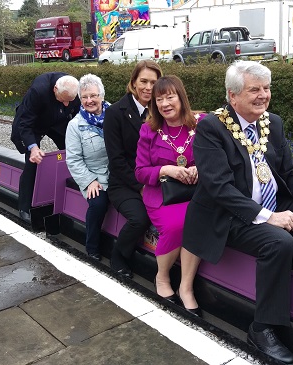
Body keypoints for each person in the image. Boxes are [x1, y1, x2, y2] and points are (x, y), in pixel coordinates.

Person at [182, 61, 293, 365]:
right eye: (254, 90)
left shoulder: (273, 122)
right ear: (233, 97)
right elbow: (219, 188)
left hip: (274, 205)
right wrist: (268, 217)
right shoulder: (211, 127)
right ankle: (262, 328)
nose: (263, 95)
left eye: (267, 88)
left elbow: (291, 170)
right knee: (278, 242)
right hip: (231, 214)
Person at [135, 75, 202, 316]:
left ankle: (186, 287)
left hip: (195, 193)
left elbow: (218, 158)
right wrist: (166, 169)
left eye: (170, 97)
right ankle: (162, 277)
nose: (165, 104)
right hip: (161, 195)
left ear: (181, 98)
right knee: (176, 225)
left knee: (197, 221)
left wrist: (200, 168)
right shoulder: (149, 131)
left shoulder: (200, 124)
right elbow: (140, 172)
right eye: (159, 99)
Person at [103, 60, 162, 279]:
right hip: (125, 183)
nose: (148, 87)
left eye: (153, 83)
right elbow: (116, 160)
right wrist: (141, 186)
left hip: (156, 178)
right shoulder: (115, 113)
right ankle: (118, 255)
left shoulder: (160, 110)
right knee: (140, 218)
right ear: (133, 83)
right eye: (143, 81)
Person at [10, 72, 80, 225]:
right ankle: (24, 207)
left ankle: (72, 197)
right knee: (33, 161)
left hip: (57, 121)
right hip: (33, 124)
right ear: (55, 89)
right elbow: (25, 123)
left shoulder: (73, 90)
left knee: (74, 154)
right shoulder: (38, 91)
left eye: (70, 101)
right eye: (64, 100)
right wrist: (33, 147)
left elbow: (78, 116)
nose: (68, 104)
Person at [65, 74, 111, 261]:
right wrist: (89, 181)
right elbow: (73, 160)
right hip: (94, 176)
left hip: (117, 174)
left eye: (93, 95)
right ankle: (92, 246)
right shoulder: (75, 126)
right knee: (98, 203)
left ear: (101, 95)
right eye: (84, 97)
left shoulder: (115, 115)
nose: (89, 100)